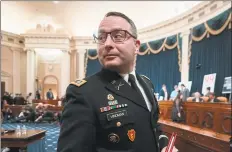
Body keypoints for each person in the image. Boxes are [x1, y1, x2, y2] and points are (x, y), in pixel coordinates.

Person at [57, 12, 177, 152]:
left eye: (118, 36)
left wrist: (164, 145)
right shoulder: (83, 92)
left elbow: (152, 126)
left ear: (136, 46)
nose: (107, 44)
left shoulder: (146, 83)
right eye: (101, 37)